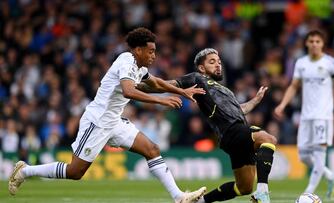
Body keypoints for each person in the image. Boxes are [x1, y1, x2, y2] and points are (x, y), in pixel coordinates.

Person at [8, 27, 207, 203]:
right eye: (151, 51)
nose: (154, 55)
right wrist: (162, 101)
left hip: (114, 121)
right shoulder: (126, 61)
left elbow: (155, 82)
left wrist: (182, 91)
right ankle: (25, 171)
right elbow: (129, 91)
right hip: (97, 122)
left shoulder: (140, 66)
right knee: (75, 172)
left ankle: (179, 197)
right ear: (138, 50)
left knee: (152, 149)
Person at [137, 48, 277, 203]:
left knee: (244, 187)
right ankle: (263, 192)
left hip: (235, 137)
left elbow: (239, 110)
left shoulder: (225, 90)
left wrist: (255, 101)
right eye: (212, 62)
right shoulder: (197, 78)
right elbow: (161, 85)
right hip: (231, 131)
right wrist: (134, 84)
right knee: (267, 139)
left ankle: (200, 201)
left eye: (218, 62)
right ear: (201, 68)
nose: (218, 65)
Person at [274, 30, 334, 199]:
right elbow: (294, 86)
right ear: (306, 43)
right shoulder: (301, 63)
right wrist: (283, 104)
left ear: (323, 44)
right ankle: (331, 176)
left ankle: (308, 193)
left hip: (323, 116)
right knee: (303, 156)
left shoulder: (331, 63)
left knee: (319, 153)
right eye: (311, 41)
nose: (314, 44)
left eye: (318, 41)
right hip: (306, 116)